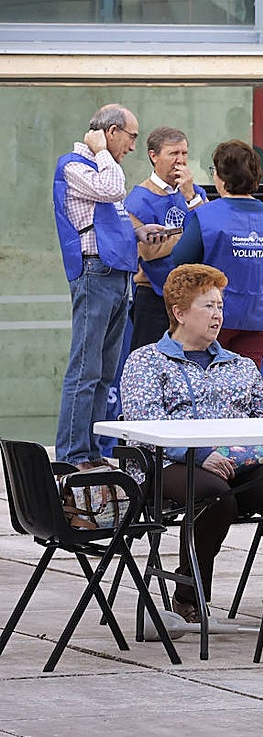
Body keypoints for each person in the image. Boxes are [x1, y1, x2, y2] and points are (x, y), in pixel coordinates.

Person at [120, 264, 263, 627]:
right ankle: (187, 594)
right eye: (208, 306)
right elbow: (144, 425)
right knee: (215, 494)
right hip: (164, 464)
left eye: (220, 306)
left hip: (237, 463)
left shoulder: (238, 365)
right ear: (179, 313)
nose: (218, 315)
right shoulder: (146, 361)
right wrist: (197, 455)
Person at [53, 103, 170, 469]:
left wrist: (137, 232)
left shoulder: (103, 167)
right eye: (131, 137)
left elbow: (103, 218)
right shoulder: (75, 165)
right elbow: (112, 191)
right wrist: (102, 152)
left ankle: (90, 450)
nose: (132, 147)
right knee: (85, 370)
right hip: (96, 275)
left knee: (104, 372)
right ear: (112, 131)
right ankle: (72, 455)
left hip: (117, 274)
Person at [171, 139, 263, 367]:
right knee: (245, 386)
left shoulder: (207, 216)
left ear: (221, 176)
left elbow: (180, 260)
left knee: (206, 383)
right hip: (257, 316)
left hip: (211, 315)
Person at [125, 126, 208, 350]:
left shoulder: (195, 193)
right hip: (153, 297)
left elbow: (210, 235)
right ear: (154, 156)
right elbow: (150, 250)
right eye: (173, 154)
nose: (180, 161)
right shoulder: (137, 199)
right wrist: (192, 235)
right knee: (150, 364)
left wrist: (191, 197)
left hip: (192, 295)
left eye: (184, 154)